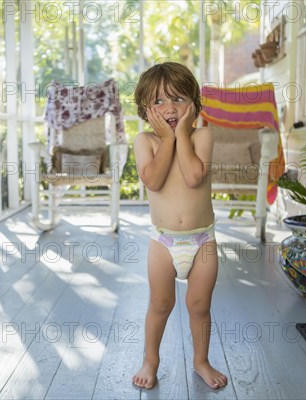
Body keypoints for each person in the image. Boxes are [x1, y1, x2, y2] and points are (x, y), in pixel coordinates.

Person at [131, 62, 228, 390]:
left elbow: (193, 176)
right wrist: (167, 140)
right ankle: (150, 360)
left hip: (202, 241)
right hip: (163, 243)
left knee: (200, 306)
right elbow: (154, 181)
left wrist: (181, 135)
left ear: (194, 105)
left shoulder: (202, 135)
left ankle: (201, 360)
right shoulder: (145, 141)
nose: (169, 108)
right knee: (160, 305)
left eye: (178, 99)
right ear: (146, 110)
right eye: (158, 102)